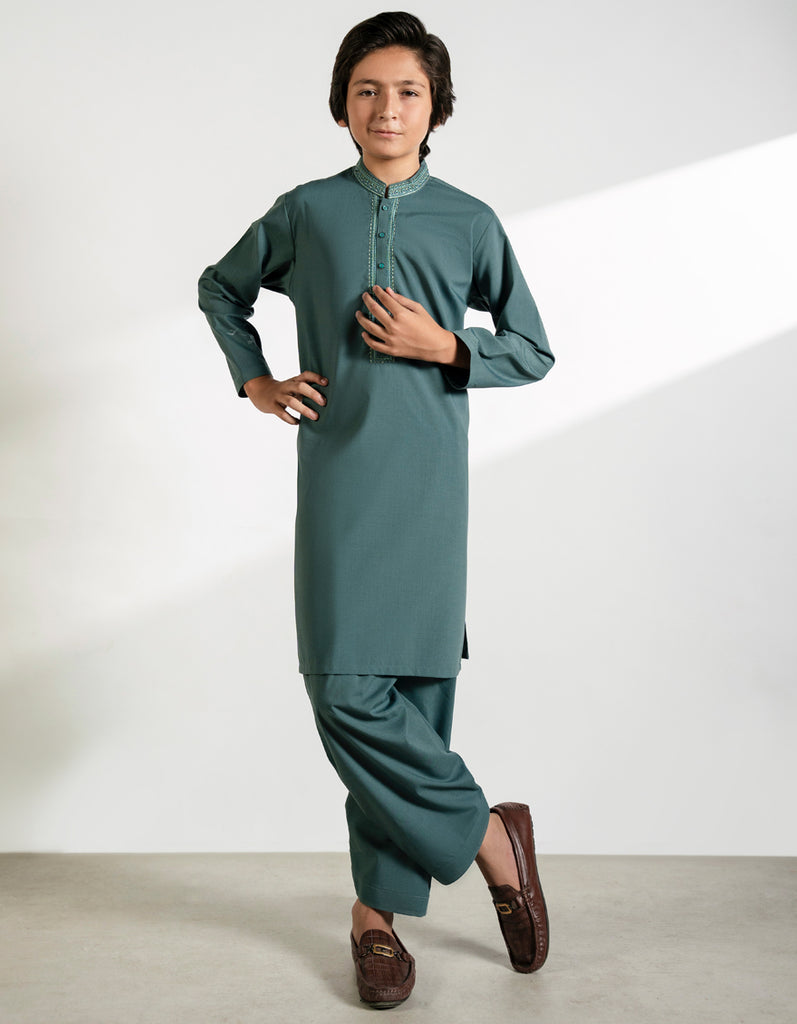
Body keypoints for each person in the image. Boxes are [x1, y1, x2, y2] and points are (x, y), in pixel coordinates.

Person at [198, 11, 554, 1009]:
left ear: (435, 107)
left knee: (415, 704)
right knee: (346, 692)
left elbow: (531, 348)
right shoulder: (307, 212)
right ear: (341, 105)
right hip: (340, 480)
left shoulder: (470, 221)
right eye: (366, 90)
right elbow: (221, 289)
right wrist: (255, 381)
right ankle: (492, 838)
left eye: (406, 91)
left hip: (431, 489)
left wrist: (448, 347)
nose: (386, 108)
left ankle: (374, 920)